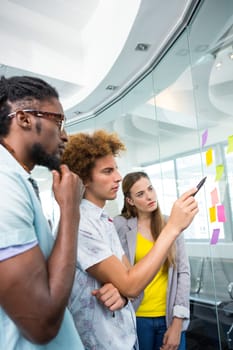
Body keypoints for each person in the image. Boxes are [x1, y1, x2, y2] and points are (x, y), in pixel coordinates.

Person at [61, 129, 198, 350]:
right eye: (107, 171)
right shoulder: (81, 223)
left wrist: (123, 295)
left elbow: (130, 282)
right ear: (85, 179)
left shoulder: (104, 221)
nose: (118, 177)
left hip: (124, 339)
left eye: (116, 169)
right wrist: (173, 227)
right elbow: (132, 284)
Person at [0, 75, 85, 349]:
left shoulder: (16, 177)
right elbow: (41, 323)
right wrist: (70, 212)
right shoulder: (3, 180)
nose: (65, 135)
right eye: (58, 121)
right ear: (24, 119)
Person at [114, 171, 190, 350]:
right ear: (130, 201)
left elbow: (183, 272)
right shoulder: (119, 226)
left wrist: (177, 323)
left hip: (169, 316)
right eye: (140, 194)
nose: (149, 196)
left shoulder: (170, 224)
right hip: (137, 318)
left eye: (150, 189)